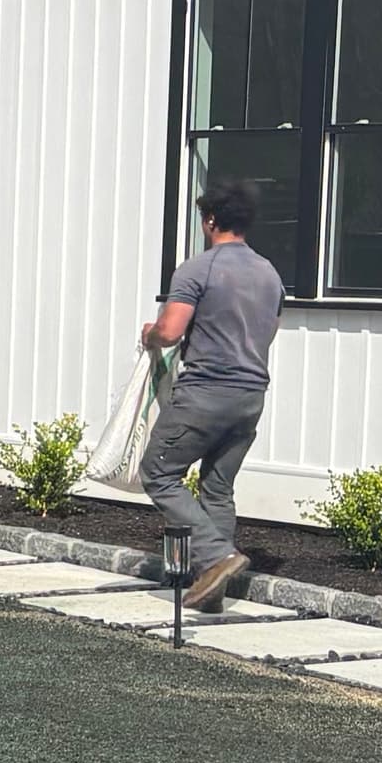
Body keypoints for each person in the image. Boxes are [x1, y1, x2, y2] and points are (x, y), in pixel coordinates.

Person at [141, 181, 284, 610]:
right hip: (250, 396)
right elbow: (268, 333)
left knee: (159, 472)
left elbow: (170, 331)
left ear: (210, 221)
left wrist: (151, 335)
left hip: (206, 392)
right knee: (217, 489)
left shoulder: (197, 269)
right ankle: (212, 592)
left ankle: (217, 556)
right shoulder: (269, 274)